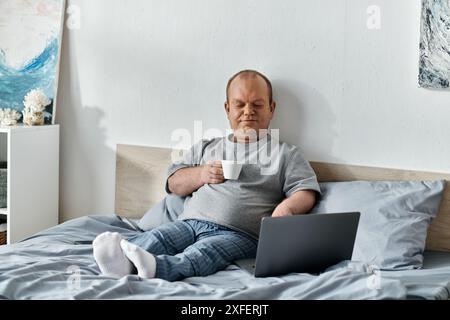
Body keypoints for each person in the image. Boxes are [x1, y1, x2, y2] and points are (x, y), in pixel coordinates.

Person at [93, 69, 321, 281]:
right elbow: (173, 183)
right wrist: (202, 174)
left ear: (271, 108)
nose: (248, 111)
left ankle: (158, 268)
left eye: (257, 104)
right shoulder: (207, 147)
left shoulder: (286, 154)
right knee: (161, 236)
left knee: (203, 253)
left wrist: (287, 208)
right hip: (191, 222)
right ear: (227, 109)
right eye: (239, 104)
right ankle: (122, 259)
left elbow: (306, 190)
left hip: (241, 235)